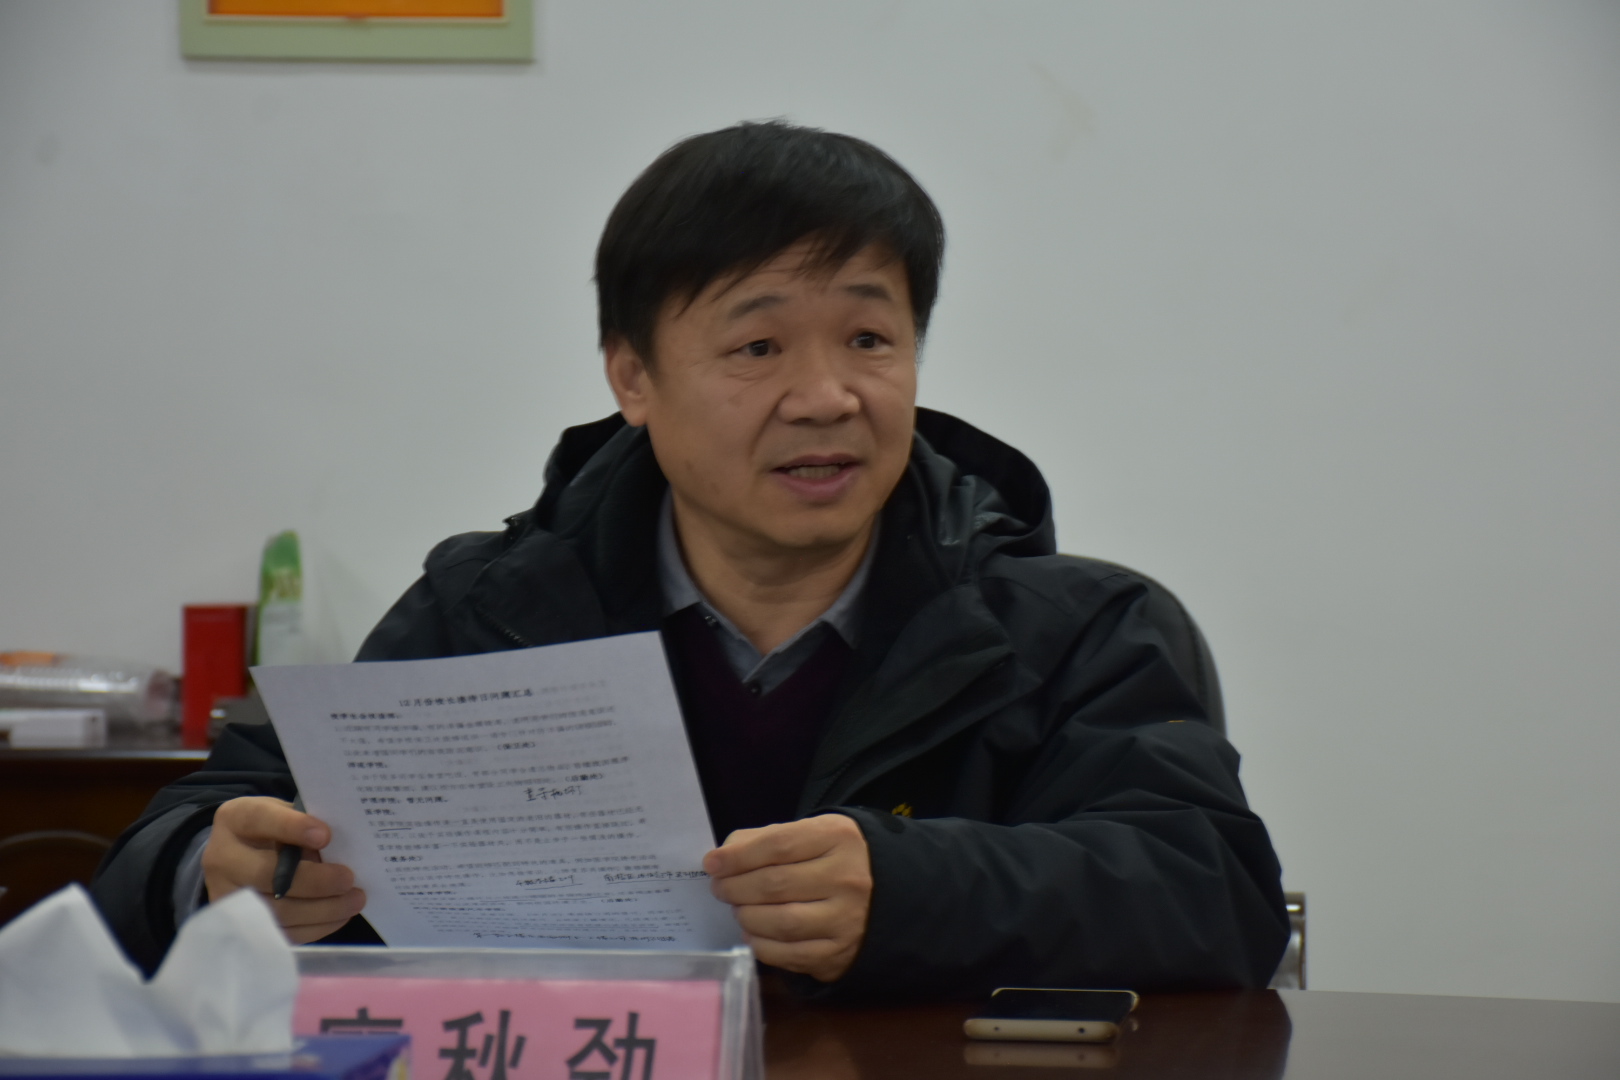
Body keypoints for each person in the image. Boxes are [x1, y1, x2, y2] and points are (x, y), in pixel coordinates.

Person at [93, 120, 1289, 998]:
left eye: (869, 338)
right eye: (758, 347)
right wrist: (218, 868)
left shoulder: (1075, 631)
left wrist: (911, 892)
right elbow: (176, 846)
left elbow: (1216, 894)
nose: (826, 396)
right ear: (632, 376)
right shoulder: (489, 613)